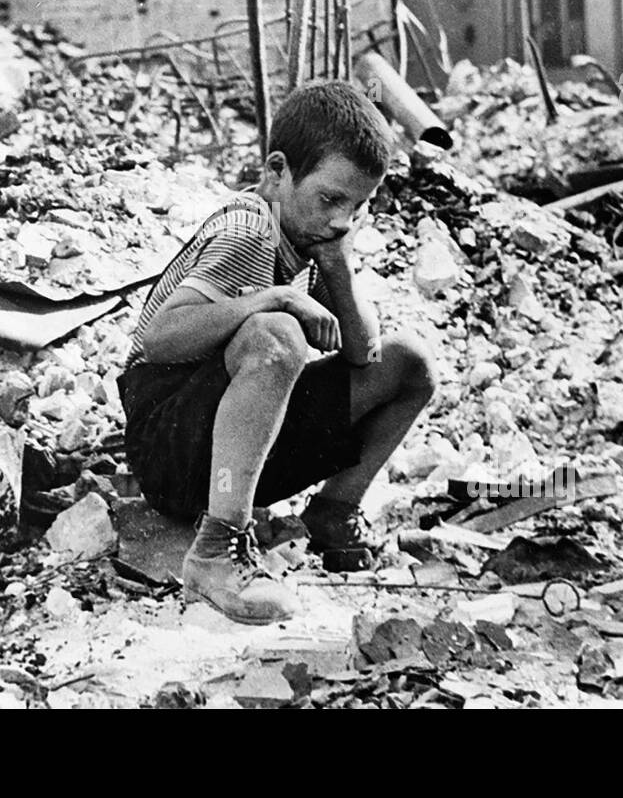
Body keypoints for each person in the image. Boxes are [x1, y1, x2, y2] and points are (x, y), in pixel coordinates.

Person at [115, 81, 438, 624]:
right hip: (167, 444)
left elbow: (365, 355)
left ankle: (334, 513)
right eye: (330, 199)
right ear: (277, 172)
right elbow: (158, 339)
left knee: (410, 364)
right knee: (277, 335)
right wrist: (274, 297)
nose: (341, 220)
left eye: (357, 207)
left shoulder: (312, 237)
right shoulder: (248, 228)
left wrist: (338, 266)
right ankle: (216, 550)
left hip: (229, 448)